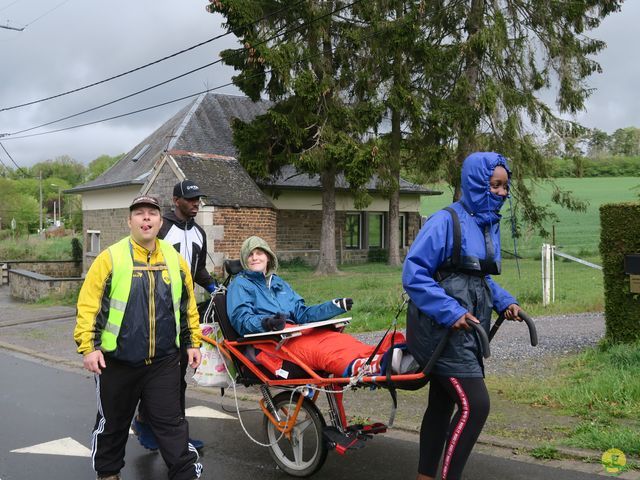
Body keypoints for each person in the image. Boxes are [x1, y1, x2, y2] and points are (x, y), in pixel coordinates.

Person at [402, 152, 522, 480]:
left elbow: (477, 278)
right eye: (495, 185)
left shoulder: (487, 224)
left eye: (504, 186)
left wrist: (505, 302)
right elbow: (413, 274)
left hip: (464, 333)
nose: (502, 192)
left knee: (442, 406)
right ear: (477, 183)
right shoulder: (445, 221)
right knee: (475, 406)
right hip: (438, 332)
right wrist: (450, 310)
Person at [74, 195, 203, 480]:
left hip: (164, 361)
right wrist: (89, 347)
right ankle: (108, 473)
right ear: (129, 221)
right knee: (114, 423)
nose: (146, 218)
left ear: (160, 221)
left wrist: (193, 342)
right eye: (139, 214)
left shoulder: (174, 259)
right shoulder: (110, 257)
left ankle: (185, 474)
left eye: (151, 214)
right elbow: (88, 305)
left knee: (171, 423)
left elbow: (186, 306)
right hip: (117, 361)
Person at [227, 236, 410, 378]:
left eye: (259, 253)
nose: (255, 257)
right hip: (271, 341)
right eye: (250, 255)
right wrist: (267, 323)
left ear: (268, 257)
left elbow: (302, 313)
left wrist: (333, 306)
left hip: (295, 332)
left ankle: (385, 355)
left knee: (338, 340)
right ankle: (368, 366)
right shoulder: (240, 284)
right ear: (245, 260)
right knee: (322, 351)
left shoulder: (279, 283)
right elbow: (241, 319)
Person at [133, 180, 215, 451]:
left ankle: (165, 430)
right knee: (158, 374)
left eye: (198, 199)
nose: (195, 203)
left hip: (184, 313)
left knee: (175, 377)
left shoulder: (200, 233)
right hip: (156, 313)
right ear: (176, 199)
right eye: (190, 199)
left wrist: (215, 287)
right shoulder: (162, 228)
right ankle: (150, 424)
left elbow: (198, 270)